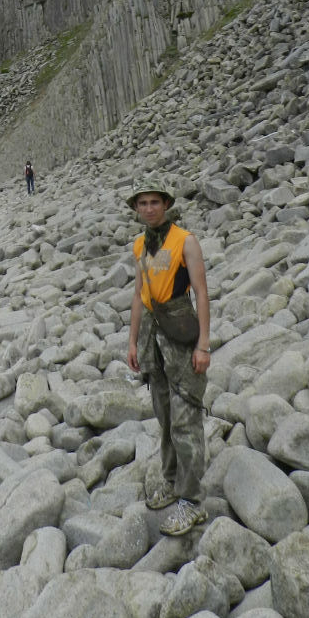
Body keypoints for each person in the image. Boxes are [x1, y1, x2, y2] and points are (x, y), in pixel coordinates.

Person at [126, 177, 211, 536]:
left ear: (165, 204)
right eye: (142, 203)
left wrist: (203, 345)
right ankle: (172, 479)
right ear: (137, 209)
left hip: (179, 331)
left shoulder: (185, 242)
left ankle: (191, 501)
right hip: (151, 336)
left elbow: (202, 294)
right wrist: (132, 342)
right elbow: (138, 295)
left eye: (154, 202)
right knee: (163, 412)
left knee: (185, 414)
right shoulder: (140, 245)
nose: (148, 208)